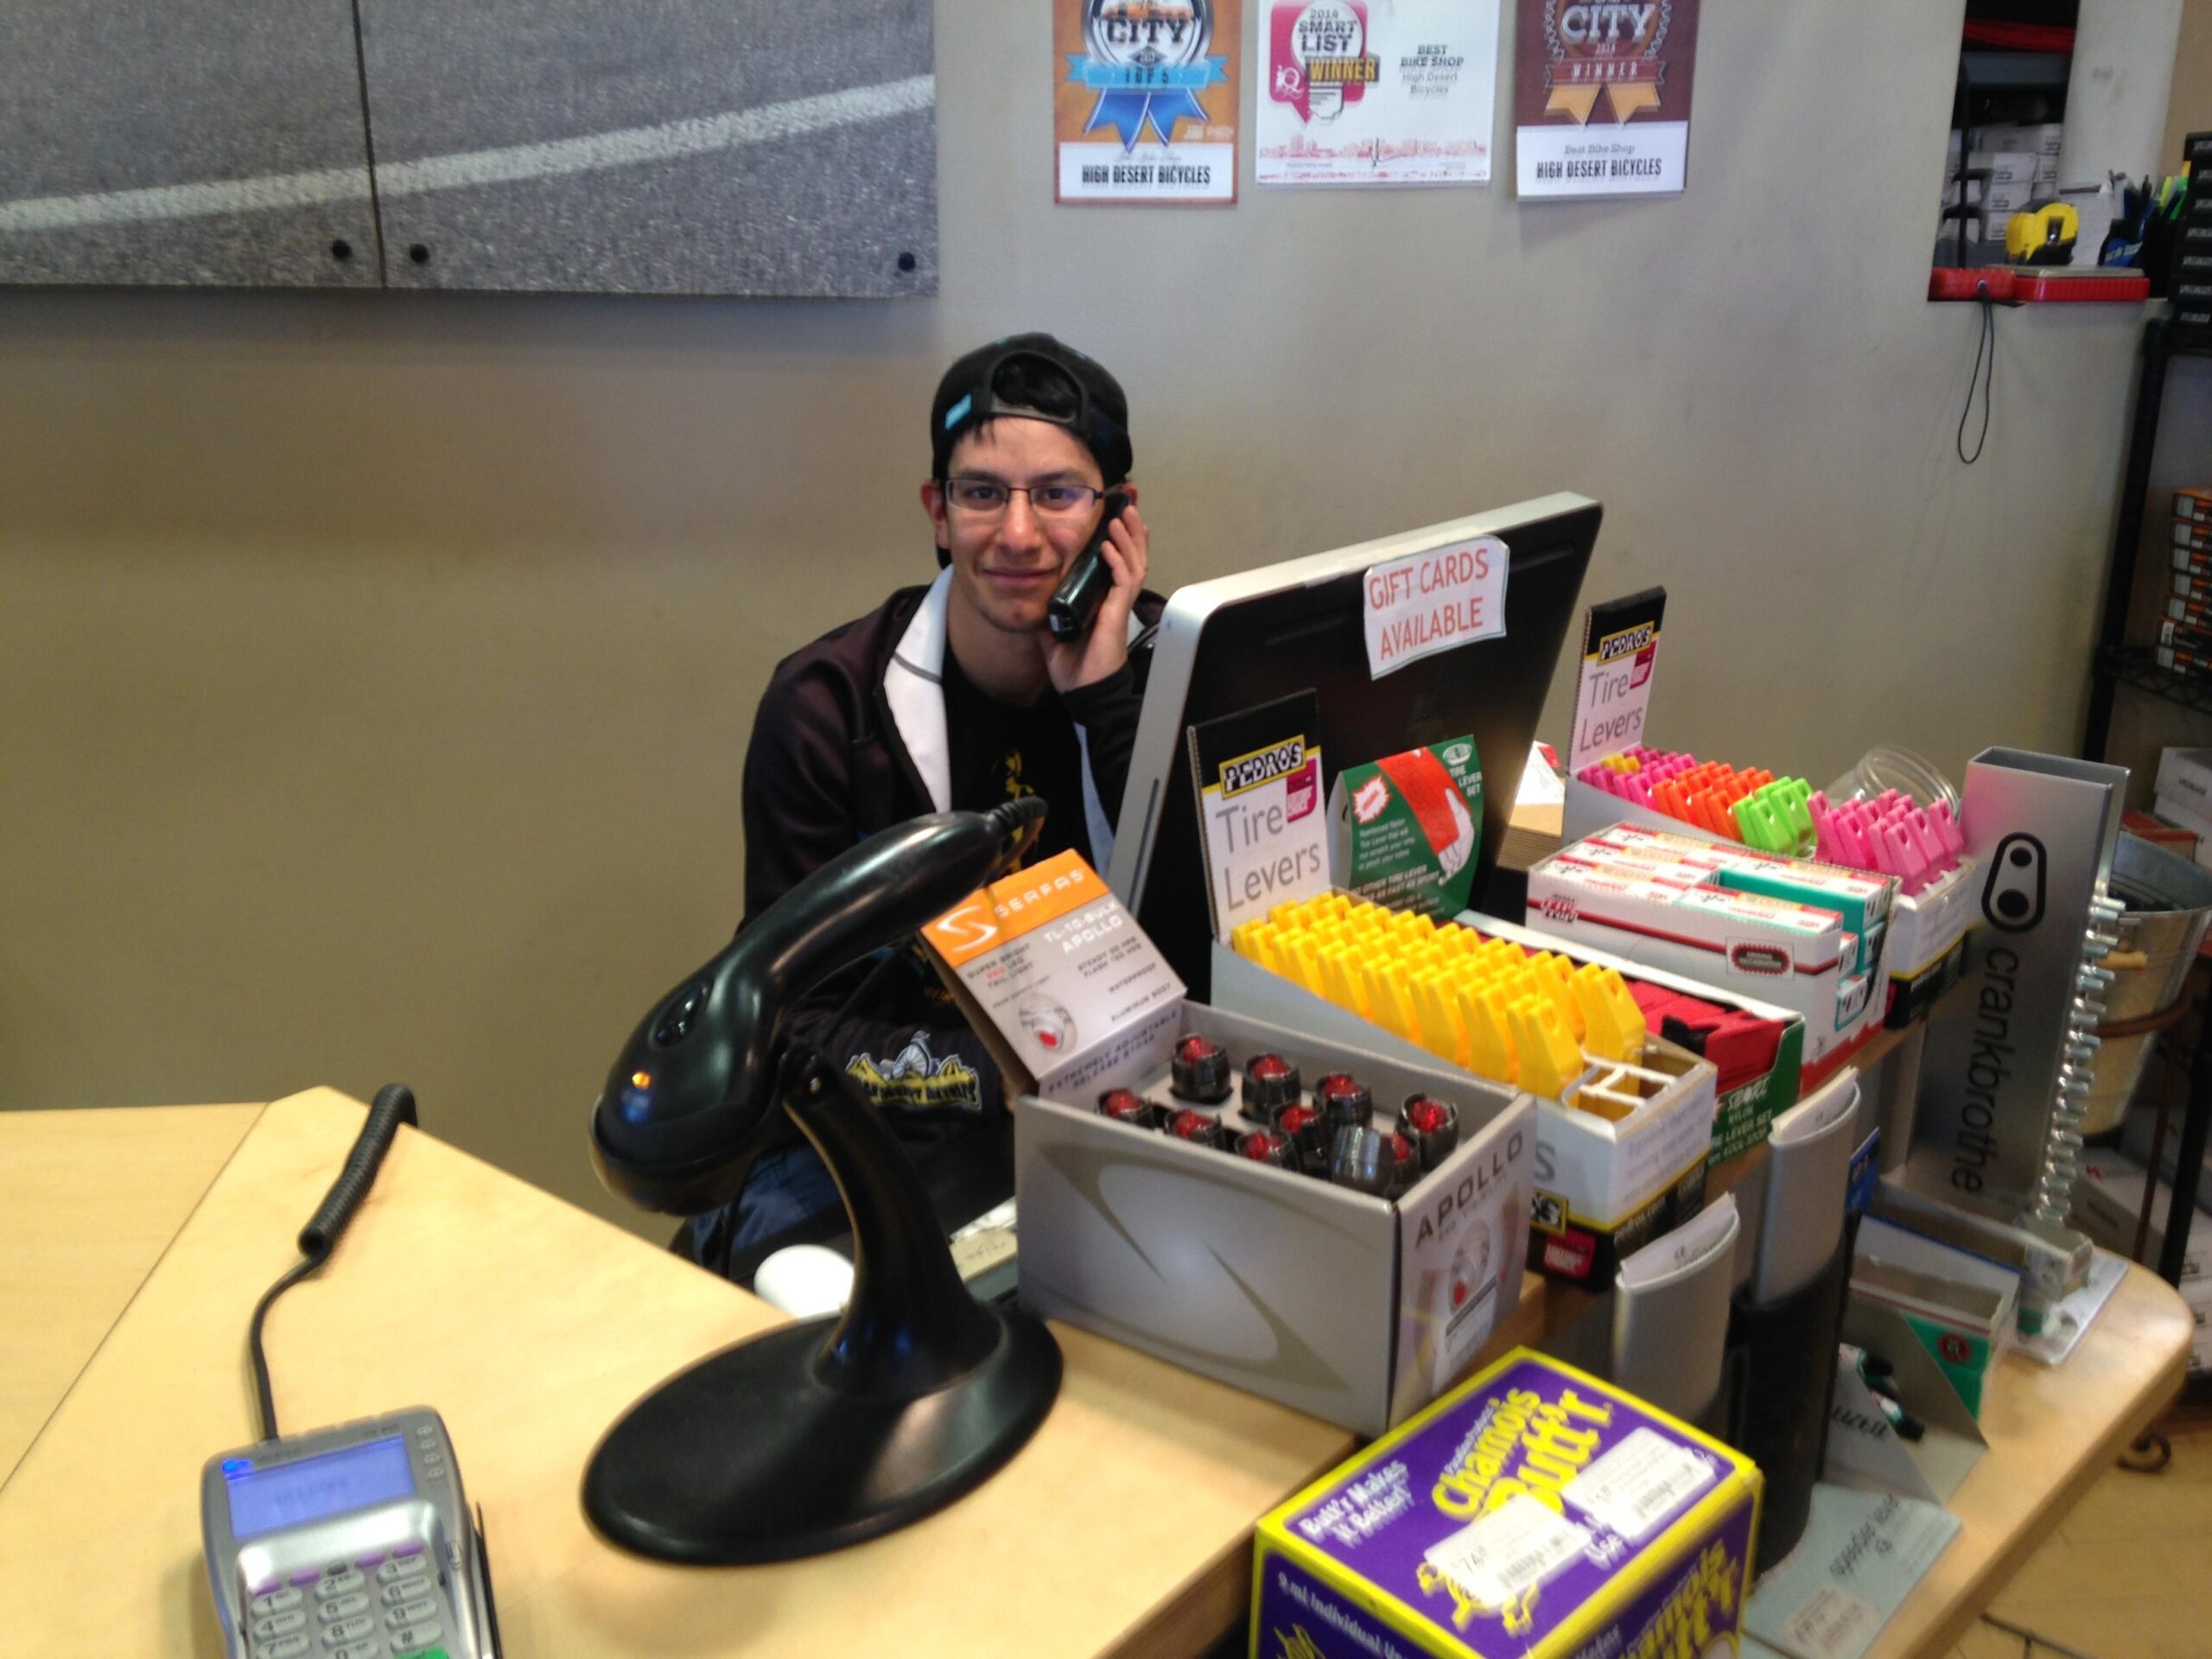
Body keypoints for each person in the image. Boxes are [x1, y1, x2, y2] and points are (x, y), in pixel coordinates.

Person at [683, 334, 1161, 1277]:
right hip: (885, 1133)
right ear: (938, 513)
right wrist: (1005, 1075)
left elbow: (1222, 952)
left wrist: (1106, 706)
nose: (1018, 535)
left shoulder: (1181, 675)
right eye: (982, 493)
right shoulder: (826, 709)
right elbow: (789, 1021)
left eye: (1058, 495)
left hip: (1134, 1114)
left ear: (1120, 521)